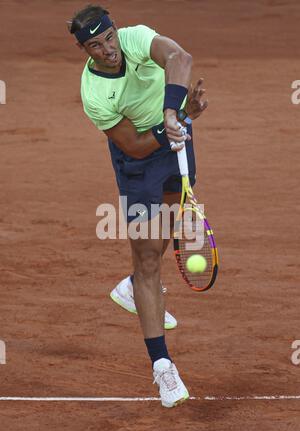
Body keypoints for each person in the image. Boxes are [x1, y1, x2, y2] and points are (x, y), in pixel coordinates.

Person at [68, 3, 207, 407]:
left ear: (116, 31)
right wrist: (175, 122)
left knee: (161, 233)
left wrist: (173, 112)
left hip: (174, 135)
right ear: (85, 50)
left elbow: (179, 57)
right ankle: (162, 367)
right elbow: (135, 145)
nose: (108, 49)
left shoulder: (135, 37)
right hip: (139, 160)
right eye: (95, 45)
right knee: (148, 261)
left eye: (109, 37)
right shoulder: (95, 94)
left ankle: (133, 286)